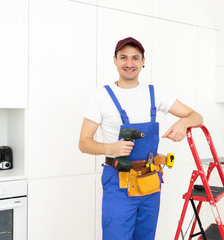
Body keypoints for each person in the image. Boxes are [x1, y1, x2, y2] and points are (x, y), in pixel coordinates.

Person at [79, 37, 203, 240]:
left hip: (150, 181)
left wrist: (183, 122)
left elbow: (197, 116)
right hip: (118, 182)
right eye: (124, 58)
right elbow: (84, 143)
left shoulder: (155, 93)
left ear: (143, 61)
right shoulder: (101, 97)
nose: (129, 63)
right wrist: (111, 148)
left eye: (135, 58)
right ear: (115, 60)